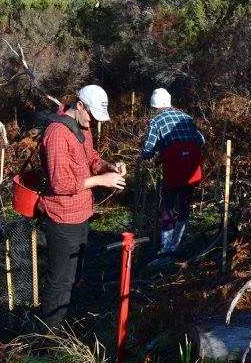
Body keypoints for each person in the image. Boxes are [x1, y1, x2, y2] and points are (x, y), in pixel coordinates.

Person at [35, 84, 126, 330]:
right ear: (80, 106)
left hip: (81, 213)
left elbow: (91, 158)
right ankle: (48, 337)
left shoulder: (82, 128)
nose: (93, 122)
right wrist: (100, 181)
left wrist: (108, 167)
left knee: (74, 276)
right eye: (92, 116)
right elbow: (60, 183)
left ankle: (62, 322)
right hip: (61, 216)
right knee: (60, 281)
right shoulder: (56, 134)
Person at [140, 88, 204, 265]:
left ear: (154, 105)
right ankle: (178, 243)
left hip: (174, 169)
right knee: (184, 205)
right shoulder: (186, 117)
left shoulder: (156, 120)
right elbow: (201, 140)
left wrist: (147, 154)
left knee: (166, 207)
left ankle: (166, 248)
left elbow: (148, 149)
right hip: (191, 168)